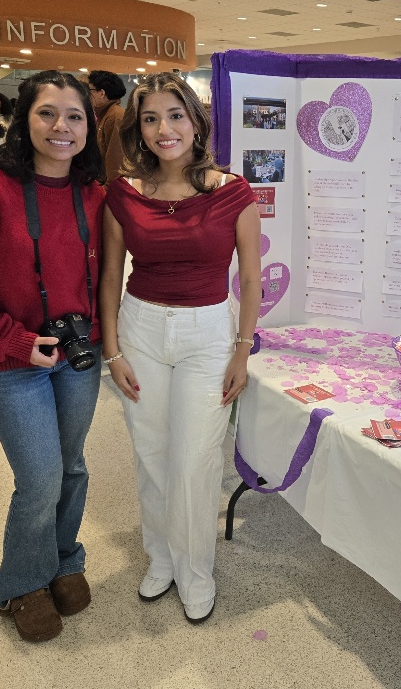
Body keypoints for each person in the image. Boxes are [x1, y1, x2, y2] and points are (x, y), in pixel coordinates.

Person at [0, 70, 106, 643]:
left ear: (89, 126)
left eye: (75, 116)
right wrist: (13, 341)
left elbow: (109, 273)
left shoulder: (94, 193)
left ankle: (63, 559)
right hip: (11, 361)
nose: (62, 126)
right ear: (22, 119)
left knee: (73, 465)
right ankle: (24, 582)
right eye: (47, 113)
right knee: (39, 477)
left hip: (78, 355)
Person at [99, 72, 261, 625]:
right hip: (141, 329)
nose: (163, 129)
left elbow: (251, 279)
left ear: (196, 122)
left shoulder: (232, 192)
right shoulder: (124, 193)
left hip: (207, 333)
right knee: (152, 453)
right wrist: (112, 351)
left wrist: (241, 350)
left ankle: (196, 571)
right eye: (150, 119)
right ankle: (162, 558)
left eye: (175, 115)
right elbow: (110, 275)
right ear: (138, 129)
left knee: (195, 458)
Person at [87, 70, 127, 185]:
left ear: (102, 93)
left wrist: (108, 190)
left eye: (90, 90)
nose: (88, 95)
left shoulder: (115, 116)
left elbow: (116, 159)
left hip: (110, 187)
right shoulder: (105, 114)